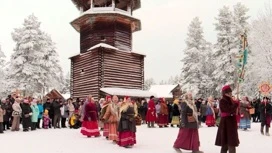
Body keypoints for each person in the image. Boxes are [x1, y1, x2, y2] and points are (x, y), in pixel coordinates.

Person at [215, 85, 239, 153]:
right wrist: (236, 104)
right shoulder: (222, 100)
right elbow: (228, 109)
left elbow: (234, 110)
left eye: (231, 92)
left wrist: (235, 104)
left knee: (231, 141)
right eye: (229, 92)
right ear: (226, 93)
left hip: (231, 122)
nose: (231, 94)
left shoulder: (231, 100)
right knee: (226, 141)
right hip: (226, 122)